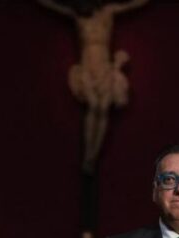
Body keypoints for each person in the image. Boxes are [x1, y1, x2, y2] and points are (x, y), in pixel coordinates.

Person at [37, 0, 149, 167]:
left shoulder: (108, 13)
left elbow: (132, 5)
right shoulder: (79, 18)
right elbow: (55, 6)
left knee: (102, 108)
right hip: (87, 68)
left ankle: (92, 157)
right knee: (93, 105)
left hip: (104, 68)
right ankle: (88, 155)